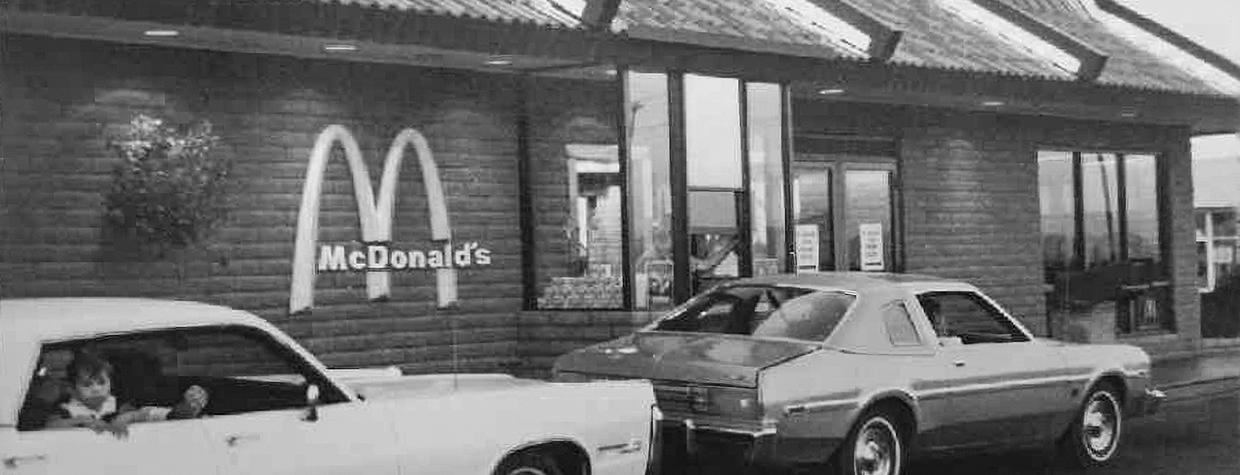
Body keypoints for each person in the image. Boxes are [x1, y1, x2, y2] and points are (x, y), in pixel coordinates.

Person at [45, 351, 209, 437]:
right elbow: (50, 426)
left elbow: (148, 414)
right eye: (87, 384)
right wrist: (83, 421)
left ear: (110, 384)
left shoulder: (118, 404)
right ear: (72, 389)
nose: (96, 389)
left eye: (101, 383)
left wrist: (187, 408)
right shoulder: (66, 409)